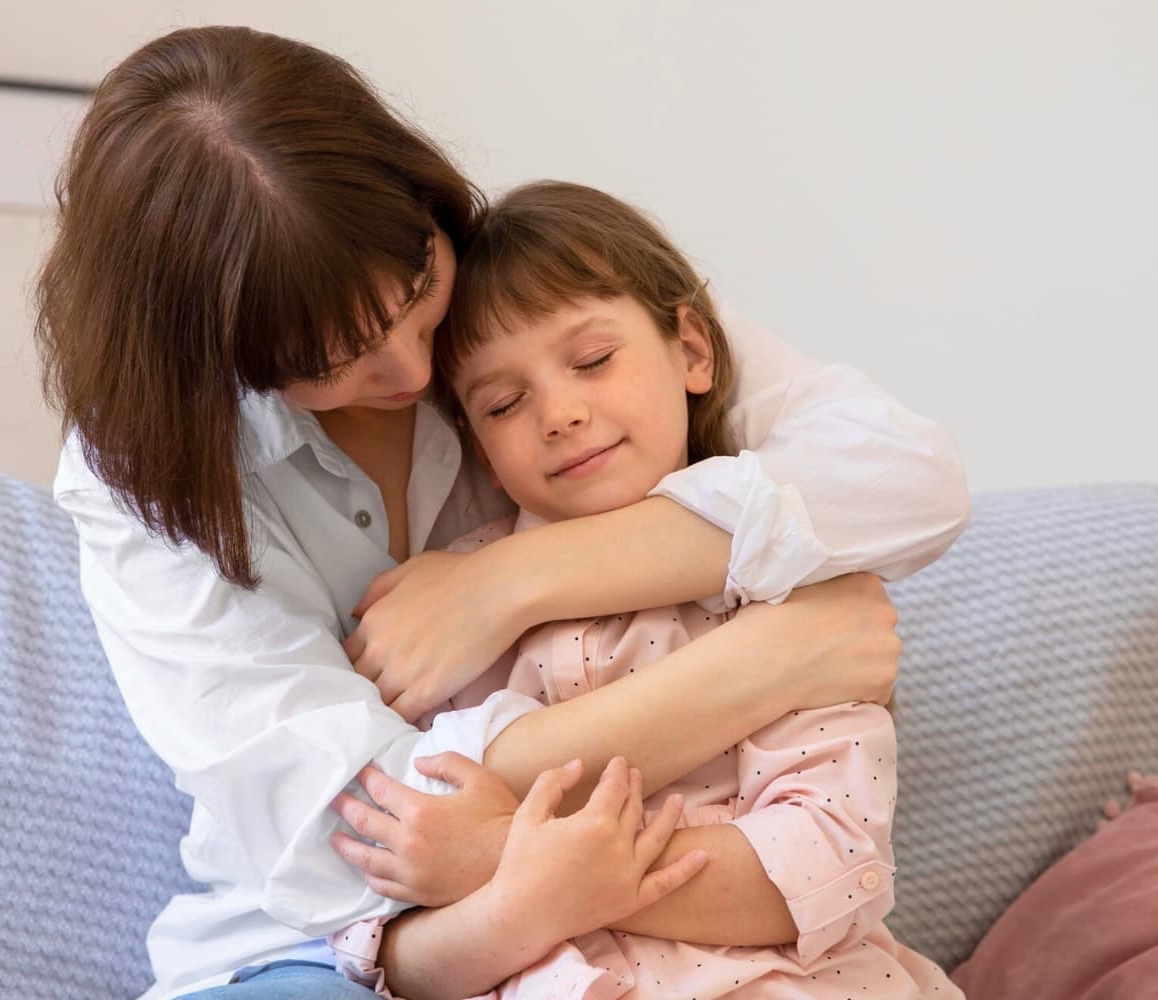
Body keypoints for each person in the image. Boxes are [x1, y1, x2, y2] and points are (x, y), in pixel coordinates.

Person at [35, 25, 971, 1000]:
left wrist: (508, 581)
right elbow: (364, 835)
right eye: (327, 362)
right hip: (321, 943)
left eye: (416, 291)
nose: (411, 368)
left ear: (426, 198)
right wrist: (764, 665)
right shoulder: (140, 475)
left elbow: (906, 477)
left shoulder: (524, 315)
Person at [327, 181, 962, 999]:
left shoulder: (788, 579)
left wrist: (511, 858)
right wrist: (502, 892)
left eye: (592, 361)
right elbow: (392, 946)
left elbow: (827, 862)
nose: (557, 413)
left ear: (693, 352)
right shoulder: (442, 617)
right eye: (504, 403)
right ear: (477, 450)